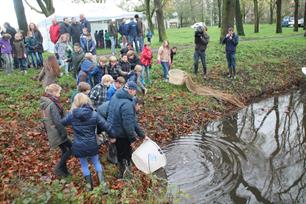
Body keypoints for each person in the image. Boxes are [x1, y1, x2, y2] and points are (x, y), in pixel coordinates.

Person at [62, 93, 113, 191]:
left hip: (79, 145)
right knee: (96, 162)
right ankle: (103, 186)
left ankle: (89, 188)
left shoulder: (72, 114)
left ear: (75, 102)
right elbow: (106, 126)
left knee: (84, 165)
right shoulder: (94, 113)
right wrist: (113, 135)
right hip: (92, 144)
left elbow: (63, 122)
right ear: (87, 101)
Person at [107, 81, 145, 179]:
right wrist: (132, 139)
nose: (135, 94)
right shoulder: (127, 104)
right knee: (125, 154)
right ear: (131, 90)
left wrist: (142, 135)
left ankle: (121, 170)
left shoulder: (115, 96)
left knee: (120, 152)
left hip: (113, 129)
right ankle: (125, 175)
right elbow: (128, 125)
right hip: (121, 134)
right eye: (135, 92)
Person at [40, 84, 72, 177]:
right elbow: (57, 121)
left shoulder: (46, 102)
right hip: (57, 131)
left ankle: (64, 171)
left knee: (65, 150)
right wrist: (64, 133)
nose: (60, 94)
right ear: (53, 92)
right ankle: (58, 168)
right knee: (71, 149)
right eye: (59, 92)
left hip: (52, 130)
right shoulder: (52, 104)